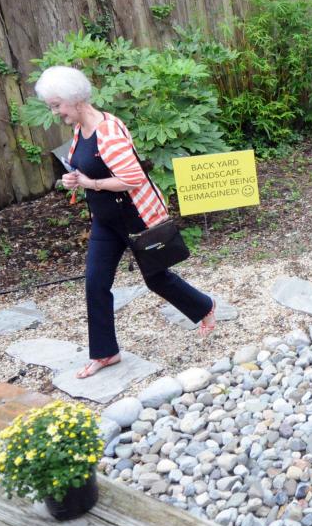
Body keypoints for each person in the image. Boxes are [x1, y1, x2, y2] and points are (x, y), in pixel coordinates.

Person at [35, 66, 216, 379]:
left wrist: (92, 184)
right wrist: (73, 178)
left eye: (56, 105)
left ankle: (204, 307)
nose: (55, 113)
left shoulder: (108, 132)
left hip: (134, 217)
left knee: (156, 278)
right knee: (95, 282)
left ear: (75, 100)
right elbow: (85, 165)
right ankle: (106, 353)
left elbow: (132, 178)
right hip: (106, 221)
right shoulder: (80, 129)